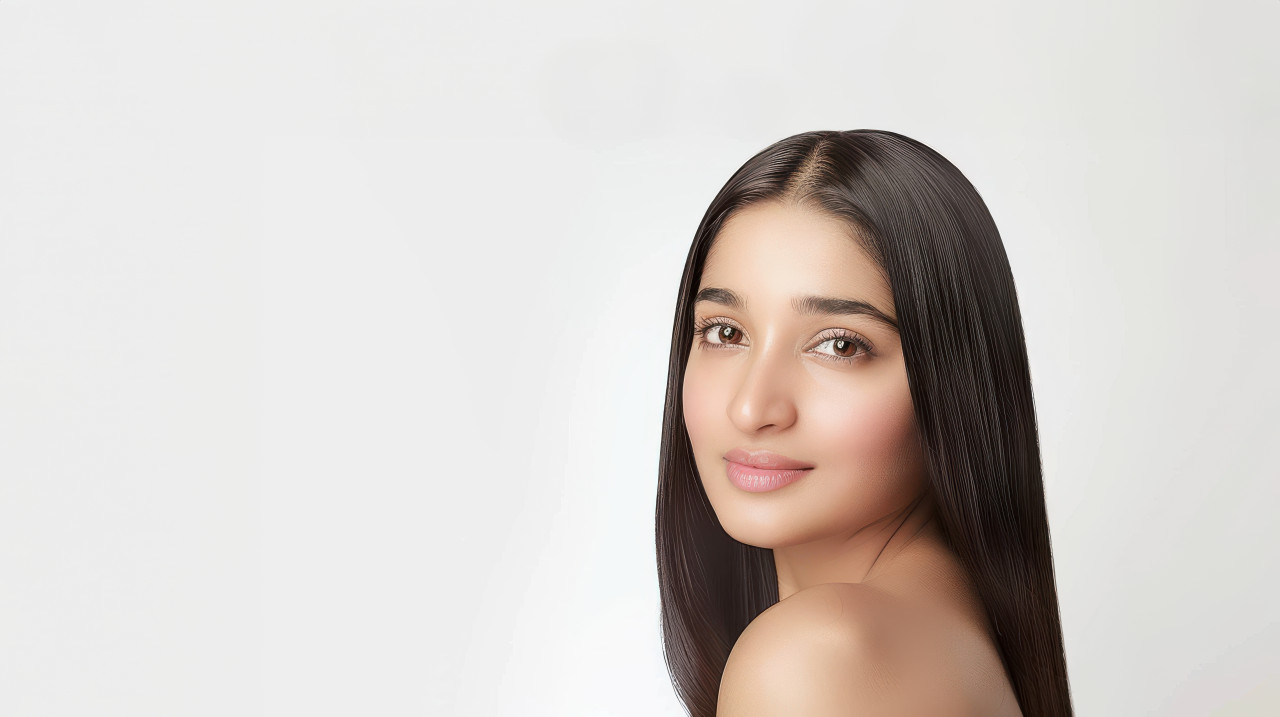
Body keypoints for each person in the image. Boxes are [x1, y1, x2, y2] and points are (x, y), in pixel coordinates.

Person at [654, 130, 1073, 716]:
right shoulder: (949, 628)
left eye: (840, 345)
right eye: (726, 332)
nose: (751, 409)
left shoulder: (816, 657)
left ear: (950, 377)